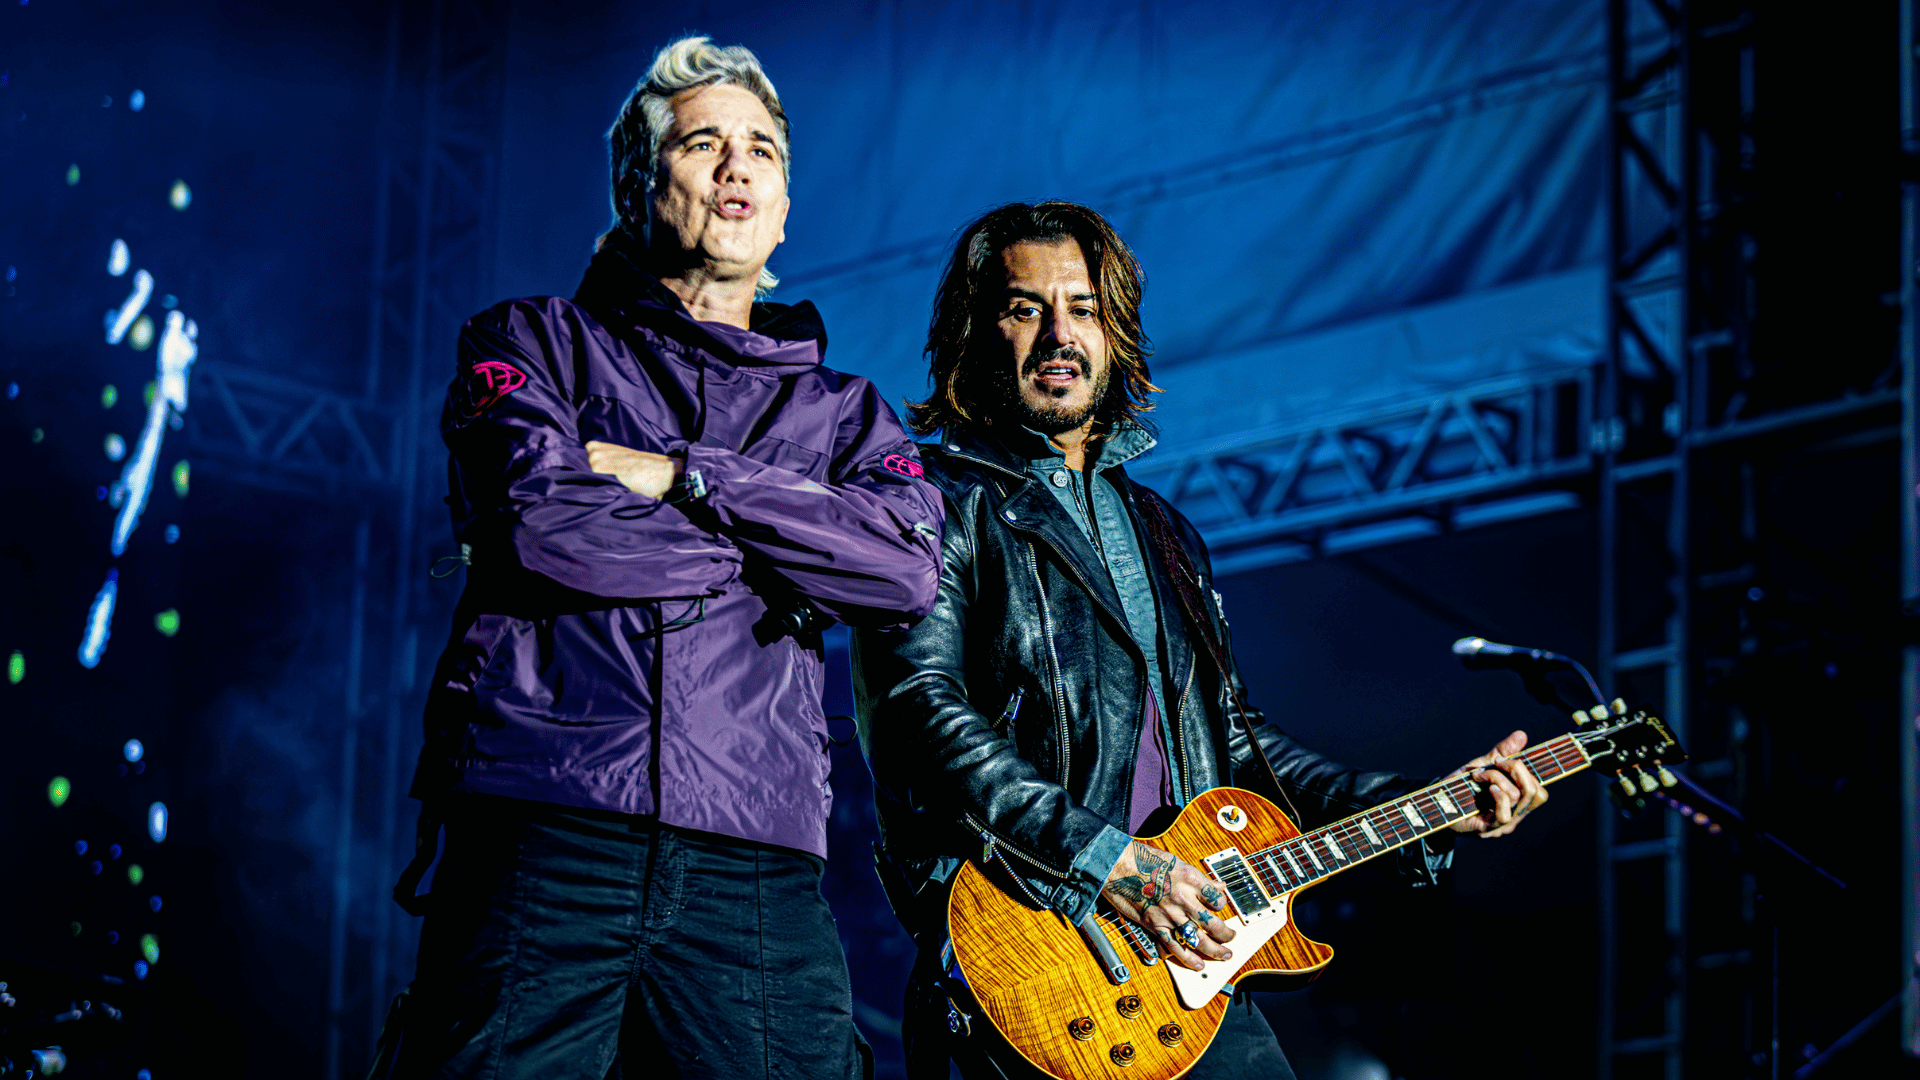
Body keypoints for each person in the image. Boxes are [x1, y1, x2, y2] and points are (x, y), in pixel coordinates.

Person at [850, 201, 1546, 1080]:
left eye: (1086, 308)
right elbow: (919, 713)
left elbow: (1239, 747)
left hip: (1182, 960)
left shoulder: (1166, 533)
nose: (1059, 333)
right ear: (975, 331)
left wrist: (1426, 806)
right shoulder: (927, 499)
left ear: (1118, 333)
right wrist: (1110, 862)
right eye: (1026, 308)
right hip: (1035, 947)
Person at [380, 36, 942, 1080]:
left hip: (757, 860)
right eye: (702, 144)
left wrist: (688, 476)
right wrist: (780, 546)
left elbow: (904, 572)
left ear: (784, 207)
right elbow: (546, 526)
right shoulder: (528, 342)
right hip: (546, 825)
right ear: (640, 184)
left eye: (762, 149)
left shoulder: (844, 413)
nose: (737, 166)